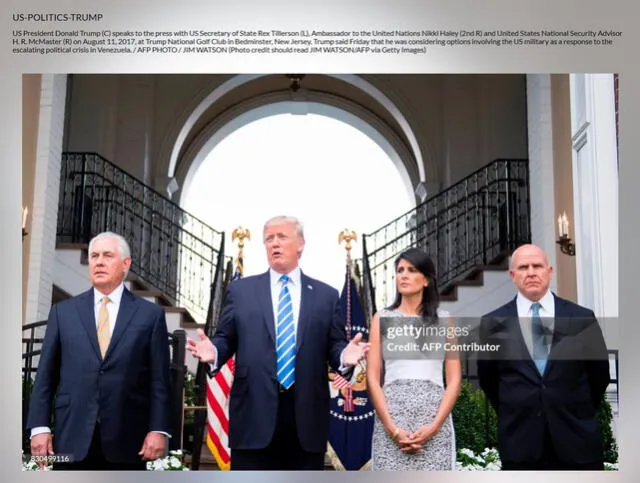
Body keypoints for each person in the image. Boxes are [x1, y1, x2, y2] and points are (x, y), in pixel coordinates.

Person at [186, 216, 369, 470]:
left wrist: (343, 357)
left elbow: (334, 346)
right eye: (269, 239)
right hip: (253, 416)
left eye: (282, 237)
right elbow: (225, 338)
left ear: (301, 244)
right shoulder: (241, 291)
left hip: (306, 420)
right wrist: (214, 351)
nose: (274, 244)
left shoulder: (326, 296)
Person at [26, 232, 172, 470]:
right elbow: (45, 376)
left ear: (126, 264)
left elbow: (159, 380)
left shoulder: (150, 316)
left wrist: (158, 430)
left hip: (128, 440)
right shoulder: (63, 313)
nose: (99, 261)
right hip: (71, 438)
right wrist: (39, 428)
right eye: (94, 256)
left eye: (107, 255)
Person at [477, 244, 610, 470]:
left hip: (577, 444)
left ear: (549, 271)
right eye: (523, 267)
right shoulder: (492, 323)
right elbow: (489, 381)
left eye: (537, 266)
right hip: (521, 446)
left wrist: (571, 407)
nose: (531, 272)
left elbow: (599, 376)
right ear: (513, 275)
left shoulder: (582, 317)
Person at [367, 248, 461, 470]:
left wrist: (434, 426)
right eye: (400, 271)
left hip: (433, 419)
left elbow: (455, 379)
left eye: (412, 270)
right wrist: (392, 429)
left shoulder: (445, 320)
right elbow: (372, 378)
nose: (404, 275)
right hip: (391, 418)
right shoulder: (381, 318)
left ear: (427, 280)